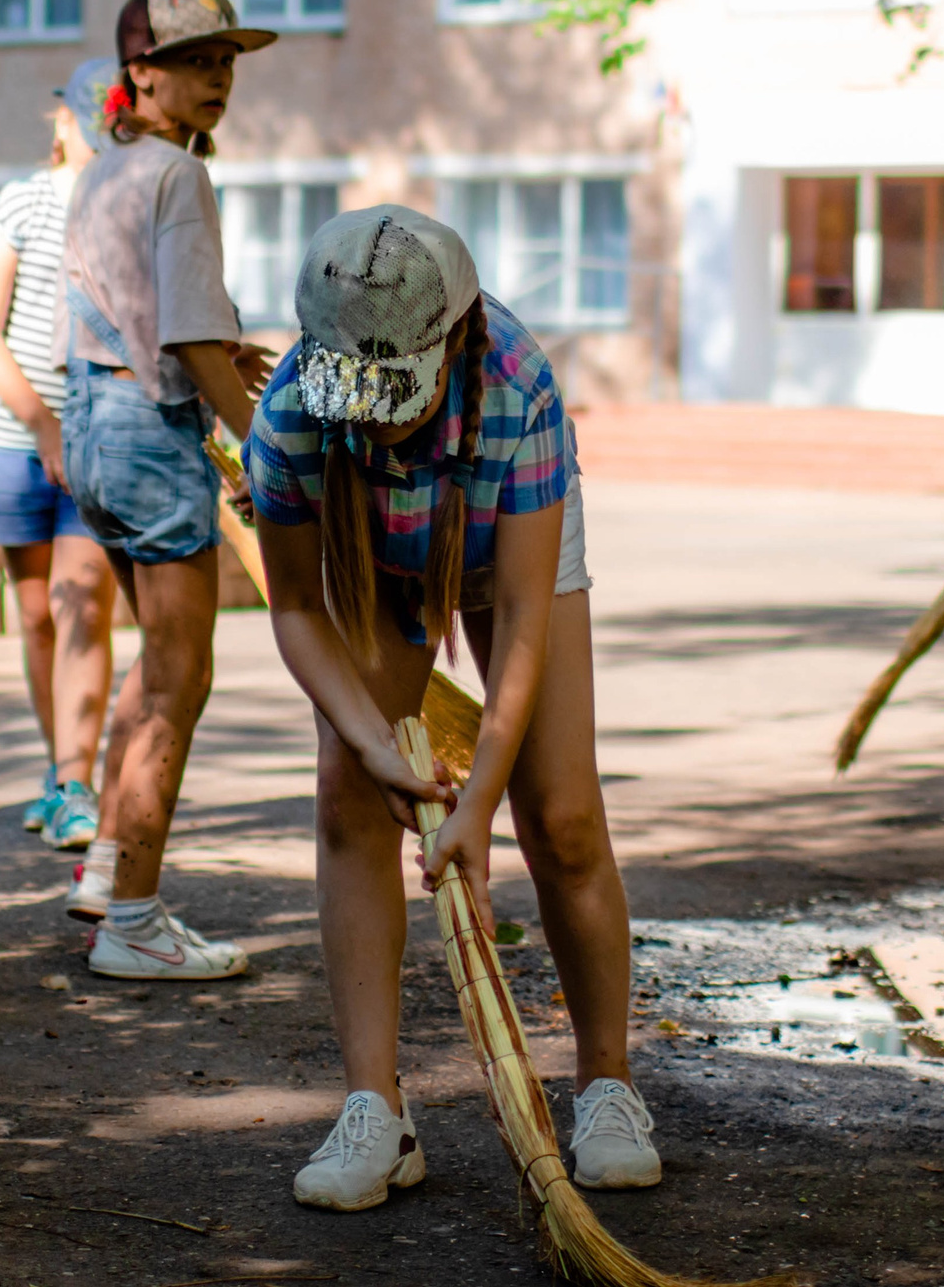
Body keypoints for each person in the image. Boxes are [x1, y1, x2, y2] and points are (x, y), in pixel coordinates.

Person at [244, 206, 659, 1211]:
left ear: (453, 338)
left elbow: (519, 617)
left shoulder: (516, 385)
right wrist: (367, 738)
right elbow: (296, 606)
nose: (378, 417)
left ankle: (607, 1085)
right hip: (374, 551)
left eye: (398, 397)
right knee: (348, 793)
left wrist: (477, 796)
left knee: (558, 809)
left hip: (502, 542)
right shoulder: (297, 411)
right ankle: (374, 1111)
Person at [57, 0, 275, 980]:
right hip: (149, 437)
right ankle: (134, 924)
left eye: (225, 60)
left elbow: (156, 321)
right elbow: (186, 338)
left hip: (95, 430)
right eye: (196, 60)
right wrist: (259, 446)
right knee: (183, 673)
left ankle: (106, 867)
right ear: (138, 72)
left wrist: (229, 358)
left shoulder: (107, 170)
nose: (217, 76)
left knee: (153, 665)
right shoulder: (180, 178)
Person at [0, 58, 123, 853]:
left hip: (97, 435)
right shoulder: (20, 202)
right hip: (13, 435)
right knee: (36, 614)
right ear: (62, 122)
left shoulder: (131, 205)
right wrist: (43, 426)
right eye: (87, 126)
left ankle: (73, 782)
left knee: (81, 598)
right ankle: (62, 775)